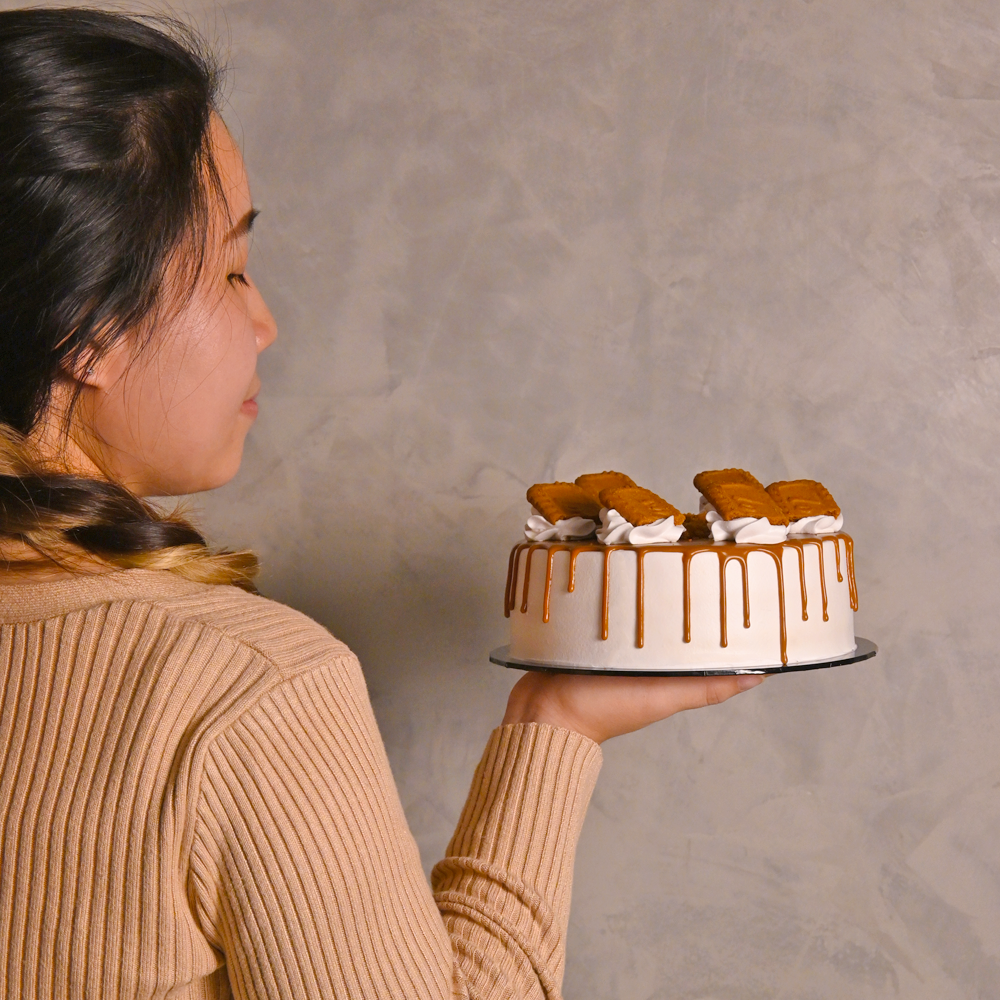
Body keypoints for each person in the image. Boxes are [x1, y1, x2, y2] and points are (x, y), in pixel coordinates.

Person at [0, 9, 764, 999]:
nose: (265, 322)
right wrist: (556, 724)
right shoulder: (247, 690)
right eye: (231, 268)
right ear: (88, 328)